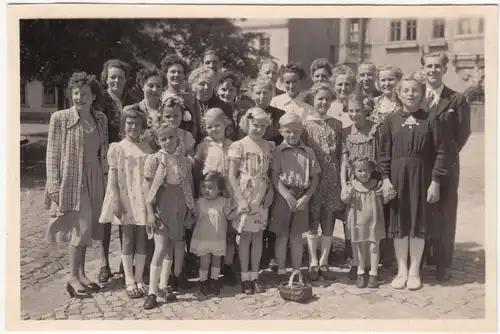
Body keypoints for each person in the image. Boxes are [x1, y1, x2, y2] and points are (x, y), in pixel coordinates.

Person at [378, 74, 447, 290]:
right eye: (406, 90)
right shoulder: (390, 120)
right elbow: (383, 152)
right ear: (398, 94)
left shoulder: (431, 119)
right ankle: (401, 270)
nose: (410, 94)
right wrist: (386, 179)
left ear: (421, 94)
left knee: (419, 222)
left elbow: (442, 152)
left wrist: (435, 181)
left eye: (415, 90)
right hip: (397, 179)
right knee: (399, 224)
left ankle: (415, 271)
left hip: (422, 178)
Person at [45, 72, 107, 299]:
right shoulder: (60, 118)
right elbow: (52, 154)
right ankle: (72, 278)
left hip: (95, 176)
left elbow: (104, 150)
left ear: (93, 97)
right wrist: (53, 184)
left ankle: (81, 274)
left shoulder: (100, 119)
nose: (79, 97)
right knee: (80, 227)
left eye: (85, 94)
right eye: (76, 92)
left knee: (88, 227)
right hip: (73, 177)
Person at [421, 52, 471, 282]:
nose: (432, 70)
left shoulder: (456, 99)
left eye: (437, 66)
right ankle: (420, 261)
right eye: (428, 66)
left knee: (445, 214)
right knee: (421, 212)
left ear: (445, 69)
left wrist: (446, 157)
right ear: (423, 69)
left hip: (447, 165)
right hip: (419, 165)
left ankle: (443, 263)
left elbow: (463, 133)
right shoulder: (415, 95)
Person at [99, 105, 153, 298]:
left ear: (142, 126)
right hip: (126, 197)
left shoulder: (147, 147)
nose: (133, 127)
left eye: (137, 124)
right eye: (129, 123)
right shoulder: (117, 148)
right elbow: (113, 178)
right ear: (124, 125)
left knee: (142, 238)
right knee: (128, 238)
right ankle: (129, 279)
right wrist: (117, 201)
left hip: (143, 197)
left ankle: (139, 278)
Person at [143, 124, 195, 310]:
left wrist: (190, 208)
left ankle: (164, 286)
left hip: (178, 205)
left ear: (177, 138)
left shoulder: (183, 160)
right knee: (160, 247)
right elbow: (147, 187)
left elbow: (187, 185)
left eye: (170, 138)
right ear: (158, 141)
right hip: (162, 205)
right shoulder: (155, 159)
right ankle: (152, 290)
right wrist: (149, 211)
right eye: (163, 139)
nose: (167, 142)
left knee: (172, 247)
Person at [98, 59, 138, 284]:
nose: (116, 81)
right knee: (106, 213)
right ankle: (104, 262)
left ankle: (125, 261)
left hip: (128, 162)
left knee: (126, 211)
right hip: (106, 161)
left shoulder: (132, 101)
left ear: (126, 80)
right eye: (112, 77)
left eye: (120, 77)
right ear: (106, 78)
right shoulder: (100, 101)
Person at [303, 82, 347, 282]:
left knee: (328, 220)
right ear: (312, 100)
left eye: (327, 99)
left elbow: (342, 154)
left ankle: (324, 260)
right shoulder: (305, 125)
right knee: (312, 221)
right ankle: (312, 261)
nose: (323, 102)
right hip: (313, 179)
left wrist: (342, 181)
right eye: (320, 98)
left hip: (332, 178)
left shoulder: (337, 125)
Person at [228, 107, 275, 294]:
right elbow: (232, 176)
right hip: (245, 193)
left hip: (261, 193)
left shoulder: (267, 146)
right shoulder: (239, 145)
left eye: (263, 127)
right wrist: (240, 199)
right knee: (245, 236)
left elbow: (269, 174)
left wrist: (270, 191)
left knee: (258, 236)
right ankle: (244, 276)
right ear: (247, 124)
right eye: (256, 125)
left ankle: (255, 275)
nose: (259, 130)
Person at [269, 112, 320, 279]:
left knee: (297, 236)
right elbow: (274, 177)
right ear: (281, 131)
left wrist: (306, 197)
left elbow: (315, 177)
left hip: (302, 196)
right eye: (288, 131)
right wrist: (286, 195)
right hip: (283, 195)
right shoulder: (278, 151)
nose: (292, 135)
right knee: (282, 235)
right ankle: (282, 269)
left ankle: (296, 269)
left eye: (296, 131)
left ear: (302, 131)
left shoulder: (309, 152)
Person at [193, 108, 237, 286]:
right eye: (209, 127)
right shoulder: (204, 145)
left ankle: (227, 266)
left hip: (228, 194)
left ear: (225, 123)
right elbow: (197, 169)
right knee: (211, 230)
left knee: (229, 234)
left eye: (217, 126)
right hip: (209, 195)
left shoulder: (233, 145)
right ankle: (204, 268)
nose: (214, 130)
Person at [341, 156, 396, 289]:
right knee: (360, 247)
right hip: (357, 222)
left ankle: (373, 274)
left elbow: (385, 201)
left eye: (366, 170)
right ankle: (360, 272)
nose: (363, 173)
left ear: (372, 170)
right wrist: (348, 194)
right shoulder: (352, 185)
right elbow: (344, 200)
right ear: (354, 172)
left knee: (373, 247)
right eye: (359, 171)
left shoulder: (376, 185)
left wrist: (389, 195)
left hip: (374, 221)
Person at [341, 93, 379, 280]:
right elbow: (343, 163)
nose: (354, 114)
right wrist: (343, 185)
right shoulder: (347, 132)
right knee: (353, 224)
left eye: (358, 110)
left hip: (372, 184)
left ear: (365, 110)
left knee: (371, 224)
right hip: (353, 185)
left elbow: (381, 158)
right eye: (350, 110)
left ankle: (373, 266)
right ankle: (357, 264)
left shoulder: (375, 130)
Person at [371, 64, 403, 269]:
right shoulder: (374, 103)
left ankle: (395, 253)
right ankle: (379, 253)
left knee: (394, 205)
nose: (386, 83)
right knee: (377, 206)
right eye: (383, 80)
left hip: (397, 156)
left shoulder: (403, 104)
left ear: (398, 81)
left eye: (390, 79)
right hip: (375, 156)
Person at [190, 172, 239, 296]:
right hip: (203, 238)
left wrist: (239, 211)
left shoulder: (223, 202)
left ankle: (215, 281)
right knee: (204, 262)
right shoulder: (199, 202)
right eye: (204, 186)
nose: (206, 190)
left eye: (211, 188)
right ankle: (203, 282)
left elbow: (230, 215)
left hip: (218, 238)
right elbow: (193, 217)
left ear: (219, 190)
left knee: (217, 261)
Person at [187, 67, 236, 144]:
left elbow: (231, 132)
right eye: (202, 84)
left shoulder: (224, 106)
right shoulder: (187, 105)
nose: (206, 87)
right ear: (194, 87)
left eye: (209, 84)